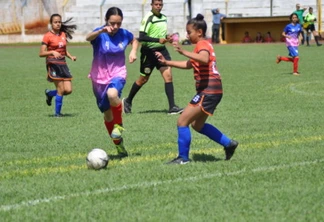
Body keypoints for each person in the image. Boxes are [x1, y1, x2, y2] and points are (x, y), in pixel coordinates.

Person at [156, 14, 238, 164]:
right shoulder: (201, 46)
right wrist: (167, 61)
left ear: (199, 32)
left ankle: (183, 158)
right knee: (197, 125)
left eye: (189, 32)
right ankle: (228, 144)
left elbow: (204, 59)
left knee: (182, 121)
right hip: (212, 90)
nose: (187, 35)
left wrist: (183, 51)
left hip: (209, 89)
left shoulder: (202, 45)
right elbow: (189, 64)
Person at [86, 7, 139, 157]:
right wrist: (101, 31)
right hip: (98, 78)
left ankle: (120, 126)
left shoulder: (123, 33)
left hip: (118, 73)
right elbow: (88, 38)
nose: (115, 27)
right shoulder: (100, 33)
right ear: (106, 21)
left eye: (119, 23)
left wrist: (134, 51)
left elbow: (134, 39)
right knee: (108, 116)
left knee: (112, 94)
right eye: (112, 23)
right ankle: (119, 145)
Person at [122, 0, 183, 115]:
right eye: (156, 5)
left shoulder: (164, 17)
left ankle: (172, 107)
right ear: (152, 5)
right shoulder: (148, 18)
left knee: (168, 76)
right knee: (143, 79)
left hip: (162, 50)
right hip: (148, 52)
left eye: (160, 5)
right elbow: (142, 37)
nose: (158, 7)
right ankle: (128, 101)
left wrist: (166, 37)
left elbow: (160, 35)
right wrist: (157, 40)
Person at [39, 14, 77, 117]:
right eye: (55, 22)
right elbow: (41, 53)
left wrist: (71, 56)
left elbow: (64, 50)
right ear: (51, 24)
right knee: (61, 89)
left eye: (59, 22)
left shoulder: (63, 34)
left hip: (63, 63)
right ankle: (57, 114)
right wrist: (51, 52)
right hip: (53, 64)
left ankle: (50, 93)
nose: (58, 24)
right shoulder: (47, 36)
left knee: (68, 90)